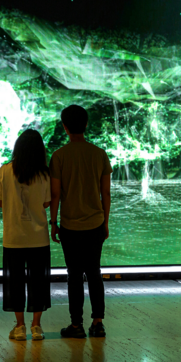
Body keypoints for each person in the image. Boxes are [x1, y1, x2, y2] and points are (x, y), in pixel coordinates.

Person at [50, 105, 112, 339]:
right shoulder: (99, 154)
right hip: (95, 223)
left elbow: (55, 194)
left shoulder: (59, 156)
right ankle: (98, 323)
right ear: (86, 125)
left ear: (65, 127)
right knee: (94, 272)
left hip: (70, 226)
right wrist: (106, 222)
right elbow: (105, 193)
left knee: (74, 275)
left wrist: (53, 222)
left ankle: (76, 325)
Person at [0, 129, 52, 341]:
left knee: (15, 281)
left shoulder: (5, 170)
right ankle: (36, 327)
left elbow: (0, 201)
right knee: (39, 281)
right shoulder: (45, 174)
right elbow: (47, 203)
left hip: (13, 236)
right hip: (38, 237)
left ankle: (19, 327)